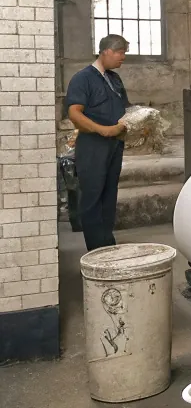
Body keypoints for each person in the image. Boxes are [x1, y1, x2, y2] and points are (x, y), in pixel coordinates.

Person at [65, 35, 130, 250]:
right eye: (120, 52)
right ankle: (95, 249)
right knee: (92, 196)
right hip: (93, 146)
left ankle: (107, 244)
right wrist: (103, 130)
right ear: (106, 52)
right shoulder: (83, 78)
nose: (123, 57)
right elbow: (74, 113)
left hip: (114, 145)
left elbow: (125, 109)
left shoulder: (114, 79)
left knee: (109, 195)